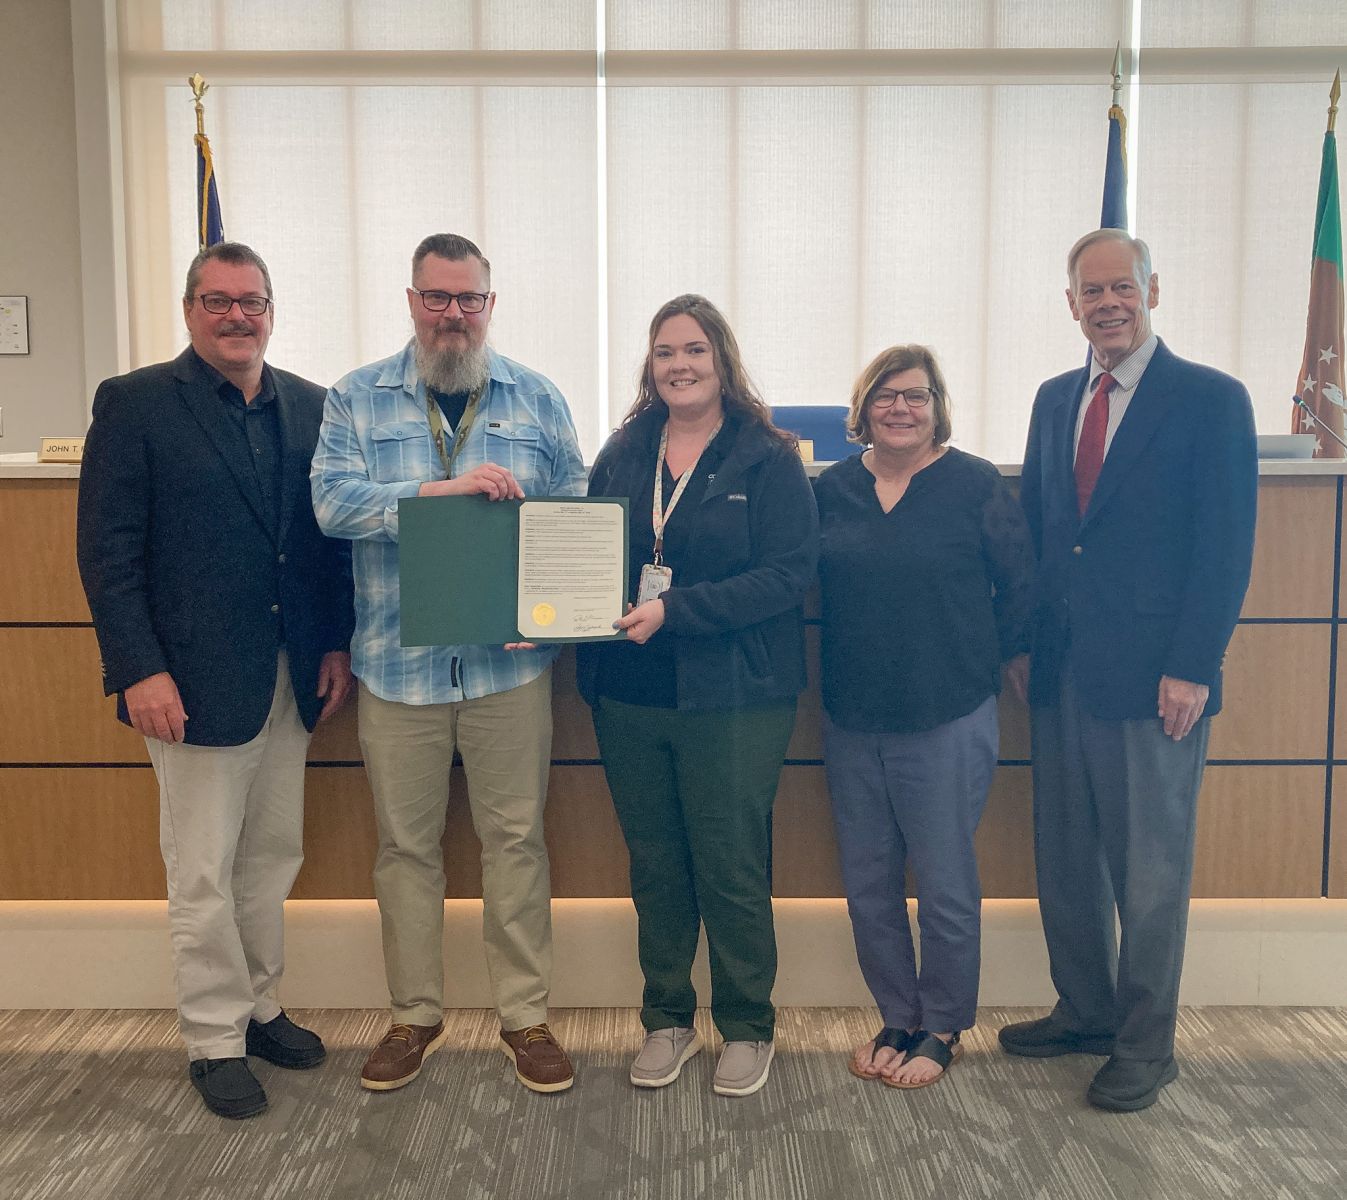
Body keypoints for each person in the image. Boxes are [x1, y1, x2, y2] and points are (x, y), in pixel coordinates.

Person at [76, 241, 355, 1120]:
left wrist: (334, 642)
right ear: (190, 309)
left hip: (291, 674)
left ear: (272, 310)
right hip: (186, 682)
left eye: (253, 301)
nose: (238, 316)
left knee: (271, 857)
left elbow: (320, 546)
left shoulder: (310, 405)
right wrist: (138, 667)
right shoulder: (135, 405)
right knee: (200, 867)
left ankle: (260, 1005)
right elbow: (108, 552)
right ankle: (212, 1037)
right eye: (218, 300)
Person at [311, 233, 587, 1094]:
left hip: (510, 670)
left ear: (490, 305)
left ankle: (525, 1017)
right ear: (411, 301)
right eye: (437, 298)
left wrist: (549, 618)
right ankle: (413, 1015)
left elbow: (574, 514)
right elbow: (330, 502)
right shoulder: (355, 398)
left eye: (468, 299)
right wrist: (436, 496)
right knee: (404, 849)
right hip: (398, 669)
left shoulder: (537, 398)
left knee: (516, 842)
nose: (453, 315)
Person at [1001, 228, 1257, 1111]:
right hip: (1063, 670)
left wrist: (1192, 665)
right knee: (1067, 861)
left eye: (1122, 287)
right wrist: (1024, 641)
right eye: (1090, 291)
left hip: (1157, 682)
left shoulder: (1209, 399)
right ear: (1069, 304)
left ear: (1154, 290)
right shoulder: (1051, 399)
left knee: (1148, 873)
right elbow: (1040, 531)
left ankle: (1146, 1046)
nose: (1108, 303)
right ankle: (1084, 1009)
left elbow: (1224, 548)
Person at [576, 294, 818, 1097]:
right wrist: (541, 617)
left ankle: (747, 1024)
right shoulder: (623, 450)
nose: (678, 366)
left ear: (721, 360)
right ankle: (667, 1019)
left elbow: (787, 576)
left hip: (734, 696)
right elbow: (590, 554)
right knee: (655, 864)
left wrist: (678, 610)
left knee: (729, 863)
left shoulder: (767, 455)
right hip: (630, 692)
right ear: (649, 366)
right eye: (664, 352)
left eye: (694, 351)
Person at [815, 345, 1033, 1089]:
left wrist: (997, 662)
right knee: (868, 886)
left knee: (942, 884)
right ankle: (897, 1016)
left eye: (914, 396)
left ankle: (942, 1024)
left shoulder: (972, 484)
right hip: (851, 716)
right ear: (862, 407)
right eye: (884, 396)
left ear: (937, 405)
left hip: (946, 714)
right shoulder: (833, 489)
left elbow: (1021, 586)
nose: (899, 409)